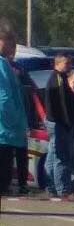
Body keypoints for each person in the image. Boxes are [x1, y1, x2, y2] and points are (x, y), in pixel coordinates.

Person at [44, 55, 74, 199]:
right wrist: (67, 122)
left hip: (57, 122)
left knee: (53, 155)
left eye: (70, 62)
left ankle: (51, 186)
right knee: (61, 156)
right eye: (66, 63)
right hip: (59, 123)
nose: (69, 65)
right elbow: (62, 104)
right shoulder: (58, 79)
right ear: (57, 64)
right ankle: (62, 189)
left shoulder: (62, 78)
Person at [1, 34, 32, 195]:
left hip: (11, 126)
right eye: (8, 44)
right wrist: (12, 120)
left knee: (11, 160)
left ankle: (15, 184)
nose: (11, 49)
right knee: (5, 163)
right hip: (5, 128)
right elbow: (4, 96)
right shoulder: (2, 65)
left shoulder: (8, 65)